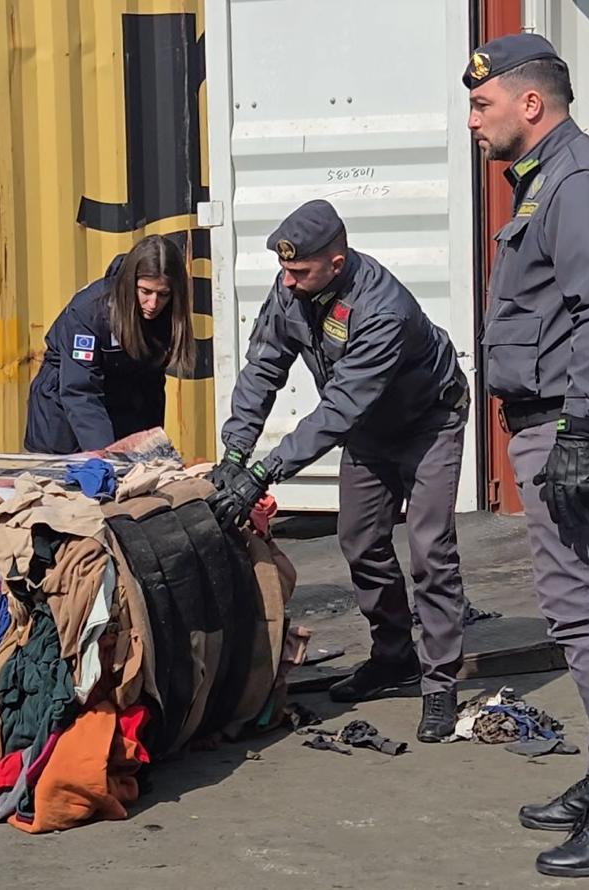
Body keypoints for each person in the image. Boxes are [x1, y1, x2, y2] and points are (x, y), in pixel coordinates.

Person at [465, 33, 589, 877]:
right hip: (557, 419)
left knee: (579, 609)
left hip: (575, 424)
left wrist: (579, 429)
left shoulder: (576, 184)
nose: (473, 121)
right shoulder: (548, 180)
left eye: (482, 104)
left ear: (530, 104)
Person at [206, 198, 471, 743]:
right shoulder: (293, 294)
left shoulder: (382, 308)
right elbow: (263, 368)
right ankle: (393, 656)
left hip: (428, 422)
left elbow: (341, 406)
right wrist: (234, 453)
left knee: (430, 550)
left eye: (299, 271)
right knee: (359, 541)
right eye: (284, 268)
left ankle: (440, 681)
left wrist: (265, 472)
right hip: (369, 429)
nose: (288, 280)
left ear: (337, 260)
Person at [23, 235, 194, 453]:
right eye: (145, 292)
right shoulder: (89, 311)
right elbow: (80, 391)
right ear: (130, 283)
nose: (153, 304)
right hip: (64, 417)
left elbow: (151, 386)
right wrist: (105, 457)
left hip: (123, 401)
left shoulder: (167, 314)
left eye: (163, 294)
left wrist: (149, 446)